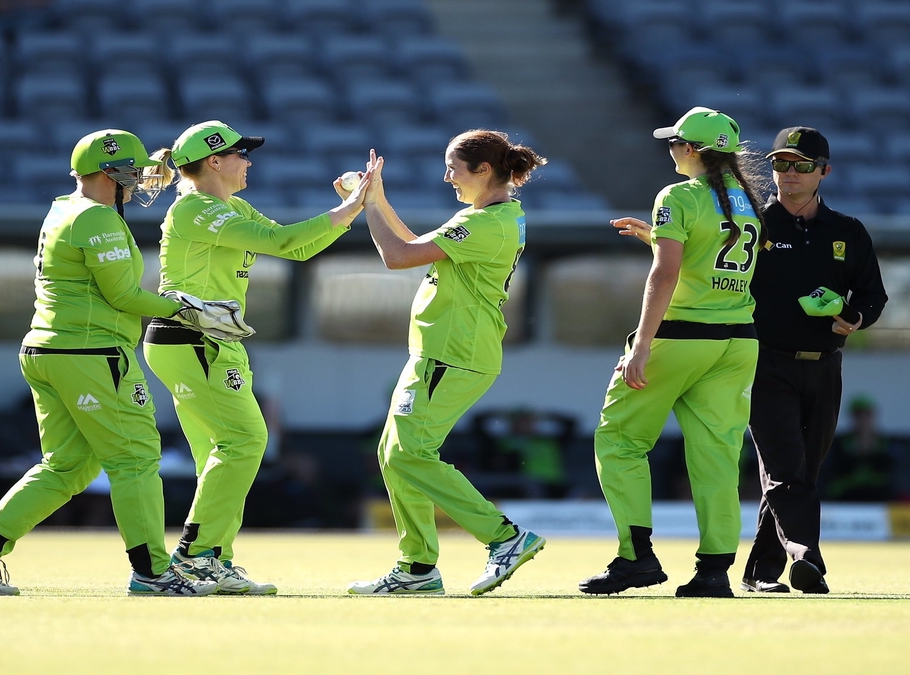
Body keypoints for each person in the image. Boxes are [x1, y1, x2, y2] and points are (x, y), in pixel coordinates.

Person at [0, 129, 245, 597]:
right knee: (137, 458)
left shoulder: (63, 208)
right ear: (110, 174)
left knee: (68, 466)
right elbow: (122, 295)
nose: (142, 179)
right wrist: (189, 309)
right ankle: (151, 572)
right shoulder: (98, 219)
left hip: (47, 349)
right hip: (91, 353)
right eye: (133, 170)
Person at [142, 120, 367, 595]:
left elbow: (297, 248)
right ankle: (195, 555)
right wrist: (348, 208)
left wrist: (349, 212)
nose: (248, 162)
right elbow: (284, 243)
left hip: (205, 342)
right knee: (246, 441)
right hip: (191, 339)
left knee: (219, 455)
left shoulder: (232, 206)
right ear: (215, 162)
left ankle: (215, 559)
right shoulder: (195, 209)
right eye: (241, 154)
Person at [347, 132, 548, 596]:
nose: (447, 177)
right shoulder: (484, 216)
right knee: (394, 457)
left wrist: (366, 205)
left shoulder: (487, 224)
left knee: (408, 454)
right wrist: (374, 198)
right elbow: (415, 243)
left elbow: (397, 257)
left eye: (454, 167)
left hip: (454, 353)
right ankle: (417, 568)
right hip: (440, 352)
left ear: (483, 170)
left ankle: (504, 537)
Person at [578, 107, 767, 598]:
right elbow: (713, 266)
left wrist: (640, 345)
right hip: (737, 341)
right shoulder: (746, 200)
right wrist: (657, 239)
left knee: (619, 441)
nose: (671, 150)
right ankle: (714, 571)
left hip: (679, 339)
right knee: (719, 458)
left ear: (690, 150)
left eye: (674, 143)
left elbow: (666, 276)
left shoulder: (679, 194)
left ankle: (636, 558)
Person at [740, 127, 887, 594]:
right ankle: (807, 558)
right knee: (785, 468)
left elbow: (872, 297)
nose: (789, 174)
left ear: (824, 171)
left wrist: (853, 318)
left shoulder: (848, 231)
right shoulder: (755, 225)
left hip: (825, 365)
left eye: (802, 166)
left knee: (801, 472)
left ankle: (760, 574)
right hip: (764, 363)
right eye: (781, 164)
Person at [825, 395, 896, 503]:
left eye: (866, 415)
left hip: (879, 498)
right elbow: (834, 474)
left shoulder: (887, 444)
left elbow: (890, 473)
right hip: (847, 496)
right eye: (859, 416)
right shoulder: (838, 444)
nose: (863, 420)